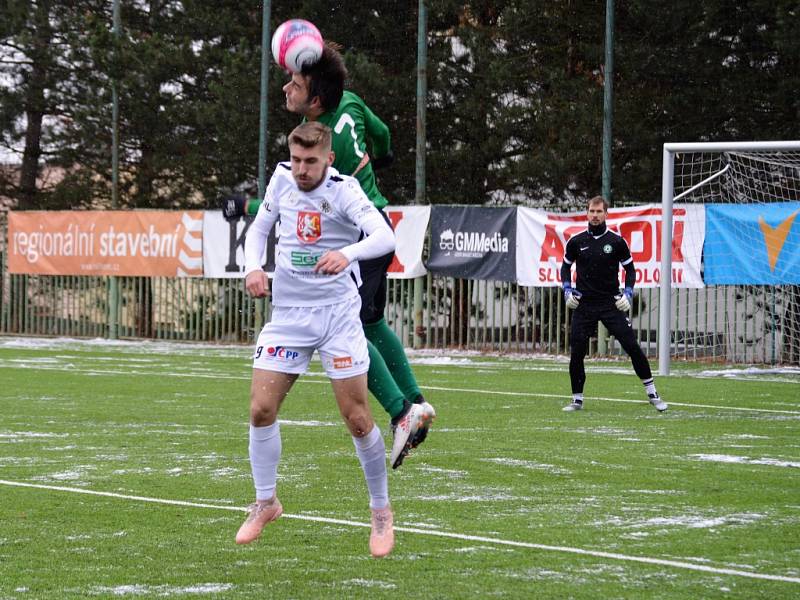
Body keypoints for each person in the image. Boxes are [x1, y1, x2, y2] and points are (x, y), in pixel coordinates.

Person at [224, 45, 434, 469]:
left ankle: (401, 411)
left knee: (352, 326)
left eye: (295, 84)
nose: (287, 88)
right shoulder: (350, 101)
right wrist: (384, 155)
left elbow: (297, 200)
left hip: (358, 234)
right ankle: (415, 402)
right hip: (370, 215)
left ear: (316, 101)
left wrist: (246, 208)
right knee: (371, 322)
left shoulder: (324, 140)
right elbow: (382, 133)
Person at [236, 122, 396, 558]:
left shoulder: (345, 191)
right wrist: (253, 266)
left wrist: (349, 252)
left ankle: (381, 511)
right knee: (260, 408)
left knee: (357, 419)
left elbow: (386, 236)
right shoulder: (281, 178)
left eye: (311, 161)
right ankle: (266, 502)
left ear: (328, 158)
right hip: (289, 315)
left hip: (338, 317)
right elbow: (258, 229)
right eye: (297, 159)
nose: (302, 169)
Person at [560, 196, 667, 413]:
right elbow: (565, 267)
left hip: (611, 303)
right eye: (592, 211)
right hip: (584, 304)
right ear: (587, 213)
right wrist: (567, 290)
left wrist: (627, 293)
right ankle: (577, 399)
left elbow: (630, 270)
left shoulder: (617, 242)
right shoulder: (576, 242)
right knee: (577, 351)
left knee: (632, 347)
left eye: (599, 211)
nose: (595, 215)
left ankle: (652, 393)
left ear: (606, 214)